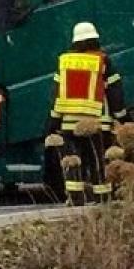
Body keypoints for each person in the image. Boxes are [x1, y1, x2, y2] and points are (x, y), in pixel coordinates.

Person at [47, 22, 125, 205]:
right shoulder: (103, 61)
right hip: (96, 122)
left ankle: (75, 198)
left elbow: (56, 93)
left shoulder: (65, 62)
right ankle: (103, 196)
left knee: (73, 160)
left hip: (68, 123)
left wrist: (53, 121)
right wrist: (121, 115)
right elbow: (115, 91)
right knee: (97, 160)